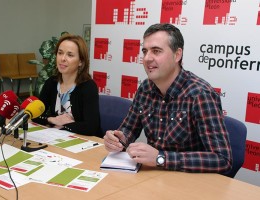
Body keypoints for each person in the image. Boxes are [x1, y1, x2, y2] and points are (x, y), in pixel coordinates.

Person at [104, 23, 232, 173]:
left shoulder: (200, 94)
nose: (147, 58)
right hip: (154, 177)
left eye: (156, 51)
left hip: (188, 182)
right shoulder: (145, 88)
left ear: (177, 55)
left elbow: (223, 159)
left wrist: (161, 158)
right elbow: (129, 129)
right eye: (145, 51)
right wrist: (117, 140)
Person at [32, 34, 103, 138]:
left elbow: (91, 127)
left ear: (81, 62)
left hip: (84, 142)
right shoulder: (51, 83)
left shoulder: (88, 87)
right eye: (60, 53)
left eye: (70, 55)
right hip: (57, 138)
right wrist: (52, 120)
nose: (63, 58)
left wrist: (64, 125)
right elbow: (35, 115)